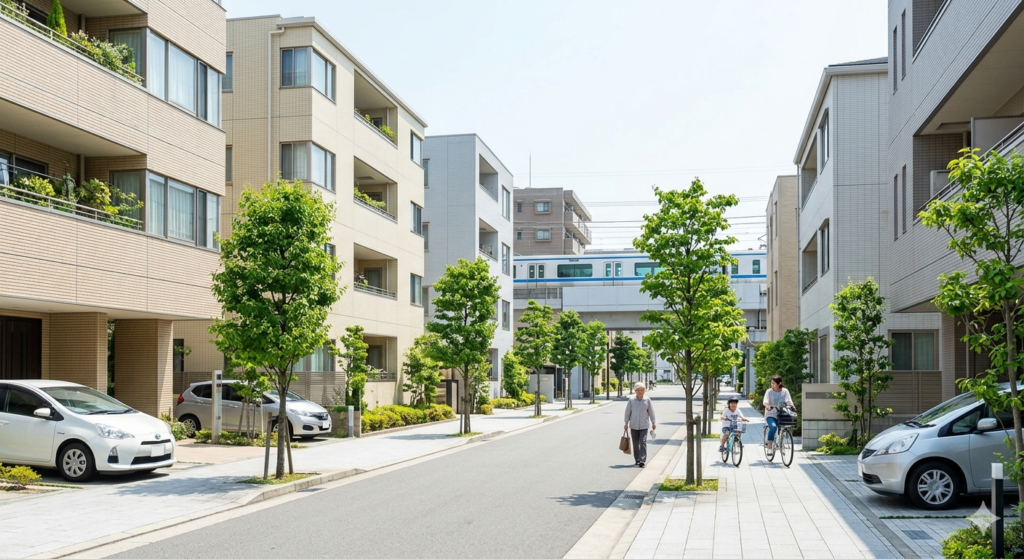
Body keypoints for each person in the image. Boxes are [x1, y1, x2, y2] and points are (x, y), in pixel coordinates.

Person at [624, 381, 656, 467]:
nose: (640, 392)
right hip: (633, 425)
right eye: (638, 390)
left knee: (643, 441)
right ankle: (637, 459)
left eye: (642, 390)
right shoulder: (631, 400)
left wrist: (653, 422)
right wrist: (626, 423)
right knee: (635, 443)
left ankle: (642, 460)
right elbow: (627, 412)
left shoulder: (647, 400)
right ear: (635, 391)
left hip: (644, 425)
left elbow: (651, 412)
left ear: (644, 391)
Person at [763, 375, 796, 450]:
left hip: (781, 414)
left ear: (779, 383)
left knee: (783, 427)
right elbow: (765, 401)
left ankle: (780, 442)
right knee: (773, 427)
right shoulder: (769, 391)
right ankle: (769, 446)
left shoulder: (785, 391)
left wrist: (792, 406)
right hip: (770, 414)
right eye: (771, 383)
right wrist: (767, 406)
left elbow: (788, 401)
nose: (772, 385)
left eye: (773, 383)